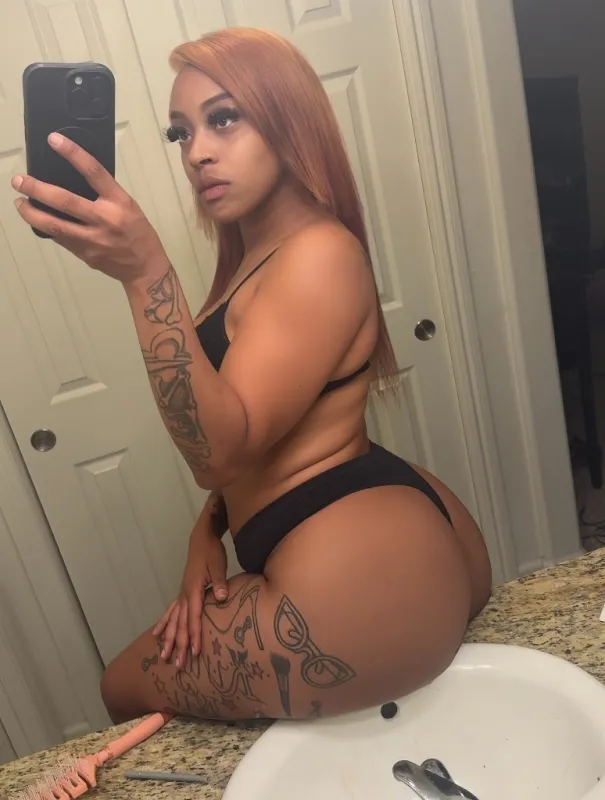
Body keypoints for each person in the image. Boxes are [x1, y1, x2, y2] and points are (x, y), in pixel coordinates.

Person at [11, 27, 492, 725]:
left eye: (224, 118)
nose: (197, 152)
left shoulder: (318, 254)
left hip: (358, 574)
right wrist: (207, 528)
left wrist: (145, 276)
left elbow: (220, 454)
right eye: (181, 133)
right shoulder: (264, 251)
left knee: (120, 689)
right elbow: (261, 419)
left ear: (288, 118)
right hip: (364, 525)